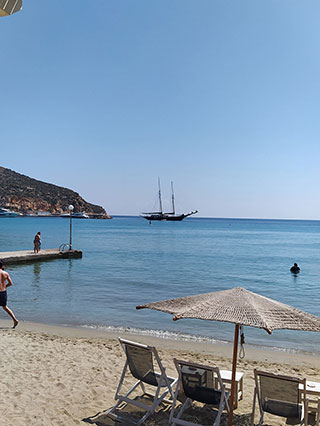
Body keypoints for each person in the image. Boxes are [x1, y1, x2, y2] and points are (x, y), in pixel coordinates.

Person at [0, 260, 18, 328]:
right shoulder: (6, 273)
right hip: (3, 292)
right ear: (2, 266)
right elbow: (10, 283)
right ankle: (15, 320)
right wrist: (4, 286)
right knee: (5, 307)